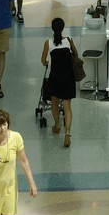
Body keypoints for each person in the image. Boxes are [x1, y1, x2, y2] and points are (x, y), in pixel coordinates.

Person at [40, 16, 79, 147]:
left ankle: (57, 125)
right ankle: (68, 133)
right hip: (68, 78)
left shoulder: (48, 43)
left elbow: (43, 60)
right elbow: (76, 54)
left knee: (54, 102)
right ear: (63, 28)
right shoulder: (68, 40)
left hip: (55, 77)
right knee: (67, 107)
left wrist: (47, 63)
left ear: (52, 28)